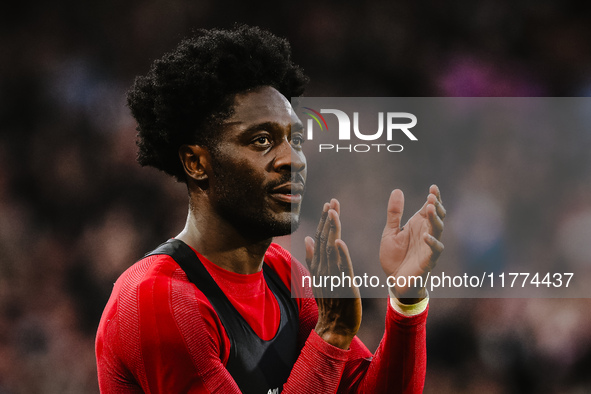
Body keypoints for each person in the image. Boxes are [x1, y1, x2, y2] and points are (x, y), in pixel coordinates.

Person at [95, 25, 446, 393]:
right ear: (196, 163)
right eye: (262, 140)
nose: (292, 160)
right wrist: (329, 337)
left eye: (294, 139)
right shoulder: (157, 300)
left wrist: (407, 304)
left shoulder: (281, 273)